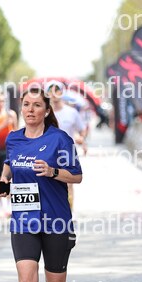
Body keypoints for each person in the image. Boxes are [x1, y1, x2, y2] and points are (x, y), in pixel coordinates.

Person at [0, 87, 82, 282]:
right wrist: (4, 181)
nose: (30, 110)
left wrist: (53, 172)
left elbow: (77, 176)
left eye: (36, 105)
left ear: (46, 111)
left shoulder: (59, 139)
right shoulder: (14, 138)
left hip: (55, 220)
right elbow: (9, 164)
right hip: (24, 220)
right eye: (26, 105)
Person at [46, 81, 87, 209]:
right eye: (51, 91)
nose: (54, 94)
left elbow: (82, 129)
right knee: (50, 183)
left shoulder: (72, 112)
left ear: (62, 92)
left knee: (68, 183)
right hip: (48, 153)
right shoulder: (43, 113)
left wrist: (82, 139)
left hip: (67, 153)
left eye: (57, 90)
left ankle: (68, 211)